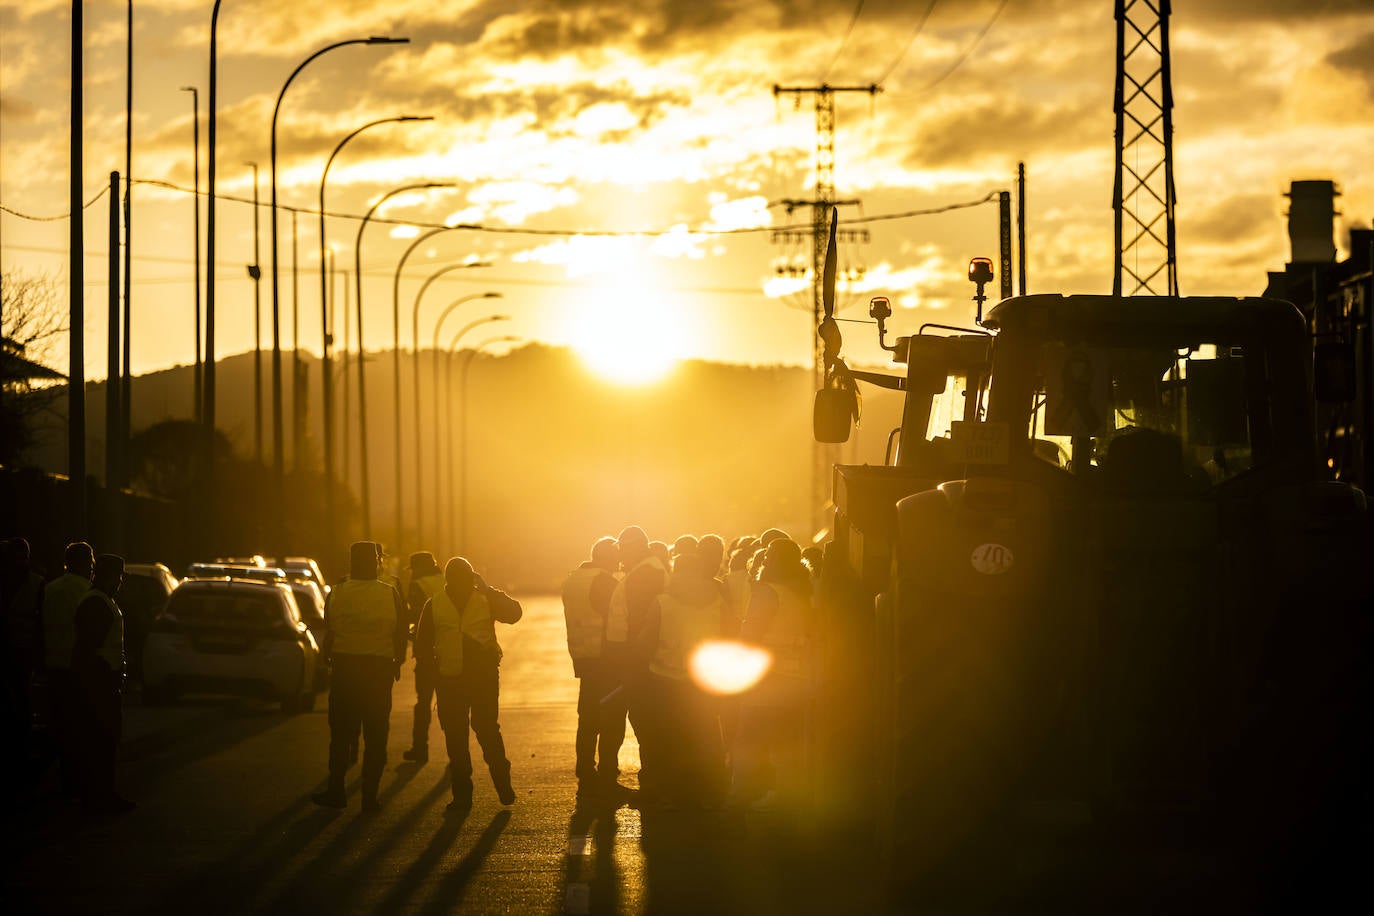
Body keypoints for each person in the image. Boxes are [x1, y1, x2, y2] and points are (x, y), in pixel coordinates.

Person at [414, 557, 519, 811]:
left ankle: (486, 790)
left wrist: (488, 590)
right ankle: (482, 791)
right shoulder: (436, 604)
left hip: (473, 678)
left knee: (466, 737)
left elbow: (514, 613)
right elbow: (424, 645)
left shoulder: (480, 598)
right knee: (472, 735)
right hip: (455, 680)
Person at [313, 541, 407, 812]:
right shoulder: (390, 593)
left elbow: (329, 628)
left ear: (351, 563)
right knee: (376, 735)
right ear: (377, 563)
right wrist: (396, 662)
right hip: (379, 673)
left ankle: (336, 790)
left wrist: (329, 658)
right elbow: (400, 634)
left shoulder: (337, 593)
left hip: (345, 672)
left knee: (340, 735)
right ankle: (370, 797)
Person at [637, 552, 728, 808]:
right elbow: (731, 637)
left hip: (667, 682)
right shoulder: (719, 601)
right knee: (705, 735)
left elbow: (646, 643)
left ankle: (670, 793)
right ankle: (707, 791)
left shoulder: (662, 603)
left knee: (668, 739)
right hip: (705, 683)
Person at [730, 537, 813, 811]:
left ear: (771, 562)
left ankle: (739, 796)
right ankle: (787, 795)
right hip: (795, 675)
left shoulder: (767, 593)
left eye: (766, 558)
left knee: (748, 739)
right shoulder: (802, 591)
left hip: (767, 677)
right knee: (786, 739)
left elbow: (750, 634)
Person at [604, 526, 667, 802]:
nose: (620, 555)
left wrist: (631, 662)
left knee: (646, 722)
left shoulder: (644, 575)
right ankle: (654, 782)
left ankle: (654, 784)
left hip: (639, 660)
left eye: (623, 548)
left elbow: (639, 624)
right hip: (641, 659)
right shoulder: (646, 571)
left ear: (634, 548)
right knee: (647, 721)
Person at [71, 554, 133, 813]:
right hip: (100, 683)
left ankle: (101, 793)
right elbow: (88, 648)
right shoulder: (97, 604)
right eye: (118, 577)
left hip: (104, 682)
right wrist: (103, 676)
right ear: (108, 576)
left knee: (105, 739)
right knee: (101, 739)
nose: (120, 582)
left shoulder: (103, 601)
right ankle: (98, 796)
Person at [561, 537, 621, 797]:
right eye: (616, 557)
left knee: (587, 716)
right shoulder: (605, 582)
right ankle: (608, 773)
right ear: (607, 558)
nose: (619, 562)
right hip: (606, 658)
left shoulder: (572, 580)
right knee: (612, 719)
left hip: (583, 655)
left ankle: (584, 768)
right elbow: (617, 618)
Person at [41, 541, 94, 795]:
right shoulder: (87, 592)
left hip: (52, 667)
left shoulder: (50, 589)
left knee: (58, 725)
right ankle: (73, 781)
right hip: (77, 668)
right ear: (86, 563)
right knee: (78, 728)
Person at [2, 538, 45, 788]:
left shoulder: (36, 584)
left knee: (22, 706)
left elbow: (41, 624)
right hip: (9, 654)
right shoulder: (9, 581)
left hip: (23, 655)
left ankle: (21, 754)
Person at [402, 551, 446, 765]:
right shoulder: (446, 581)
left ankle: (420, 748)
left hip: (427, 652)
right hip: (450, 651)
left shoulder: (417, 585)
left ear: (417, 569)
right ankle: (455, 753)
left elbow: (416, 616)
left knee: (423, 702)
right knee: (450, 705)